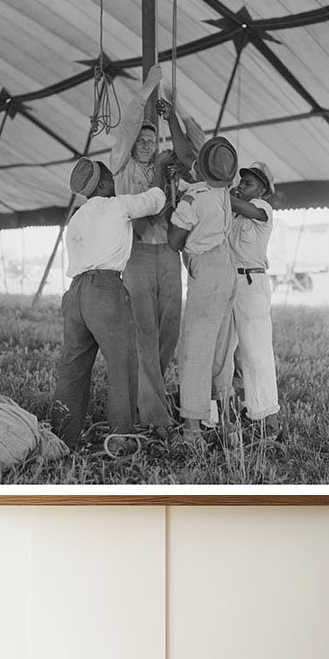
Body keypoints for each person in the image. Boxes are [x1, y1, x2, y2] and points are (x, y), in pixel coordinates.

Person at [50, 157, 166, 449]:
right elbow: (156, 200)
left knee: (73, 367)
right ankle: (120, 437)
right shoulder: (117, 205)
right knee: (122, 363)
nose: (115, 182)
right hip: (105, 290)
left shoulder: (76, 218)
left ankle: (61, 436)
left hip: (75, 293)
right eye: (110, 178)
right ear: (102, 183)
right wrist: (162, 168)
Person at [110, 64, 200, 430]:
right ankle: (155, 417)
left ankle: (148, 397)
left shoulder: (166, 166)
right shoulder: (122, 167)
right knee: (144, 333)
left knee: (168, 333)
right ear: (132, 146)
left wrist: (174, 112)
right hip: (138, 255)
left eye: (152, 140)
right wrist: (150, 86)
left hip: (169, 254)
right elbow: (130, 122)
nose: (147, 143)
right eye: (142, 140)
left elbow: (194, 150)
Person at [167, 136, 240, 441]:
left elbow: (174, 241)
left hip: (206, 268)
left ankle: (192, 426)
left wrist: (173, 205)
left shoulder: (193, 200)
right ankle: (225, 419)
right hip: (228, 265)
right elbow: (195, 171)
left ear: (199, 169)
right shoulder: (223, 192)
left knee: (196, 348)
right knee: (223, 347)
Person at [227, 161, 281, 436]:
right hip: (229, 282)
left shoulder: (263, 209)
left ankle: (268, 417)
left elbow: (242, 207)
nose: (241, 185)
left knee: (256, 351)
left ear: (262, 190)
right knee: (225, 352)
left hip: (252, 283)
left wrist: (218, 193)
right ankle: (224, 411)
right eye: (241, 181)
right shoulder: (233, 215)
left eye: (248, 183)